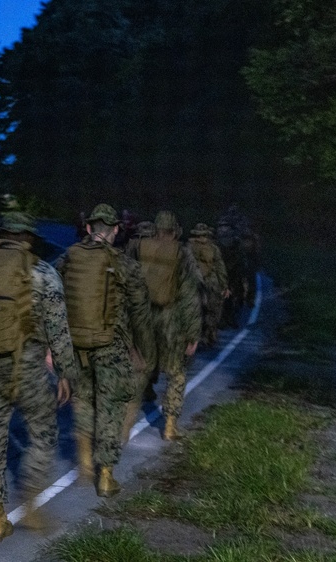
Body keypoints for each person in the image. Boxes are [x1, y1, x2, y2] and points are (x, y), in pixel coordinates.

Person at [0, 212, 78, 539]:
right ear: (29, 238)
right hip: (30, 368)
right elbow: (58, 329)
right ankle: (31, 504)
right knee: (44, 431)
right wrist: (65, 373)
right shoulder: (43, 273)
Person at [56, 204, 153, 497]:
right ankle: (106, 476)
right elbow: (140, 313)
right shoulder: (124, 264)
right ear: (113, 230)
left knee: (83, 399)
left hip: (75, 345)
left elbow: (52, 305)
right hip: (111, 345)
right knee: (110, 407)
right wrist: (144, 352)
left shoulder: (67, 259)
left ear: (88, 228)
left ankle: (85, 462)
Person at [126, 210, 202, 440]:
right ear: (174, 230)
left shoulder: (140, 248)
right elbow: (190, 294)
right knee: (176, 372)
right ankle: (169, 424)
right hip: (172, 320)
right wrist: (193, 332)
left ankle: (125, 421)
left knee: (141, 368)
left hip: (143, 318)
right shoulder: (182, 253)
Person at [188, 223, 228, 346]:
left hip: (192, 282)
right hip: (210, 281)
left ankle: (197, 336)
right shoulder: (213, 248)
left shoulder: (188, 247)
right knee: (214, 308)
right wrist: (224, 285)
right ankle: (210, 333)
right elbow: (220, 267)